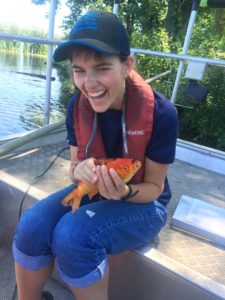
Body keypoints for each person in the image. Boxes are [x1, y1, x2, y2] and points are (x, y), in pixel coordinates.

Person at [12, 10, 178, 300]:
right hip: (93, 192)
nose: (89, 84)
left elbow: (154, 189)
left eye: (102, 68)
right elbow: (74, 166)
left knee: (72, 235)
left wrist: (124, 192)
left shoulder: (162, 114)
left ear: (127, 65)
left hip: (145, 203)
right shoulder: (77, 107)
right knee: (31, 224)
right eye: (79, 70)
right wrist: (77, 171)